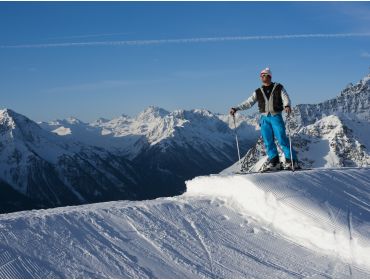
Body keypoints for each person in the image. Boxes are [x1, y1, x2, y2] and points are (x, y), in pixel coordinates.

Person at [230, 67, 299, 171]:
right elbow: (249, 102)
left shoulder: (278, 87)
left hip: (276, 116)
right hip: (264, 118)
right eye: (261, 75)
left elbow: (285, 97)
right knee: (268, 141)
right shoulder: (258, 91)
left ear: (269, 76)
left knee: (282, 139)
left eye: (264, 75)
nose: (262, 77)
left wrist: (287, 105)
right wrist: (236, 108)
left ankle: (292, 162)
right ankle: (274, 163)